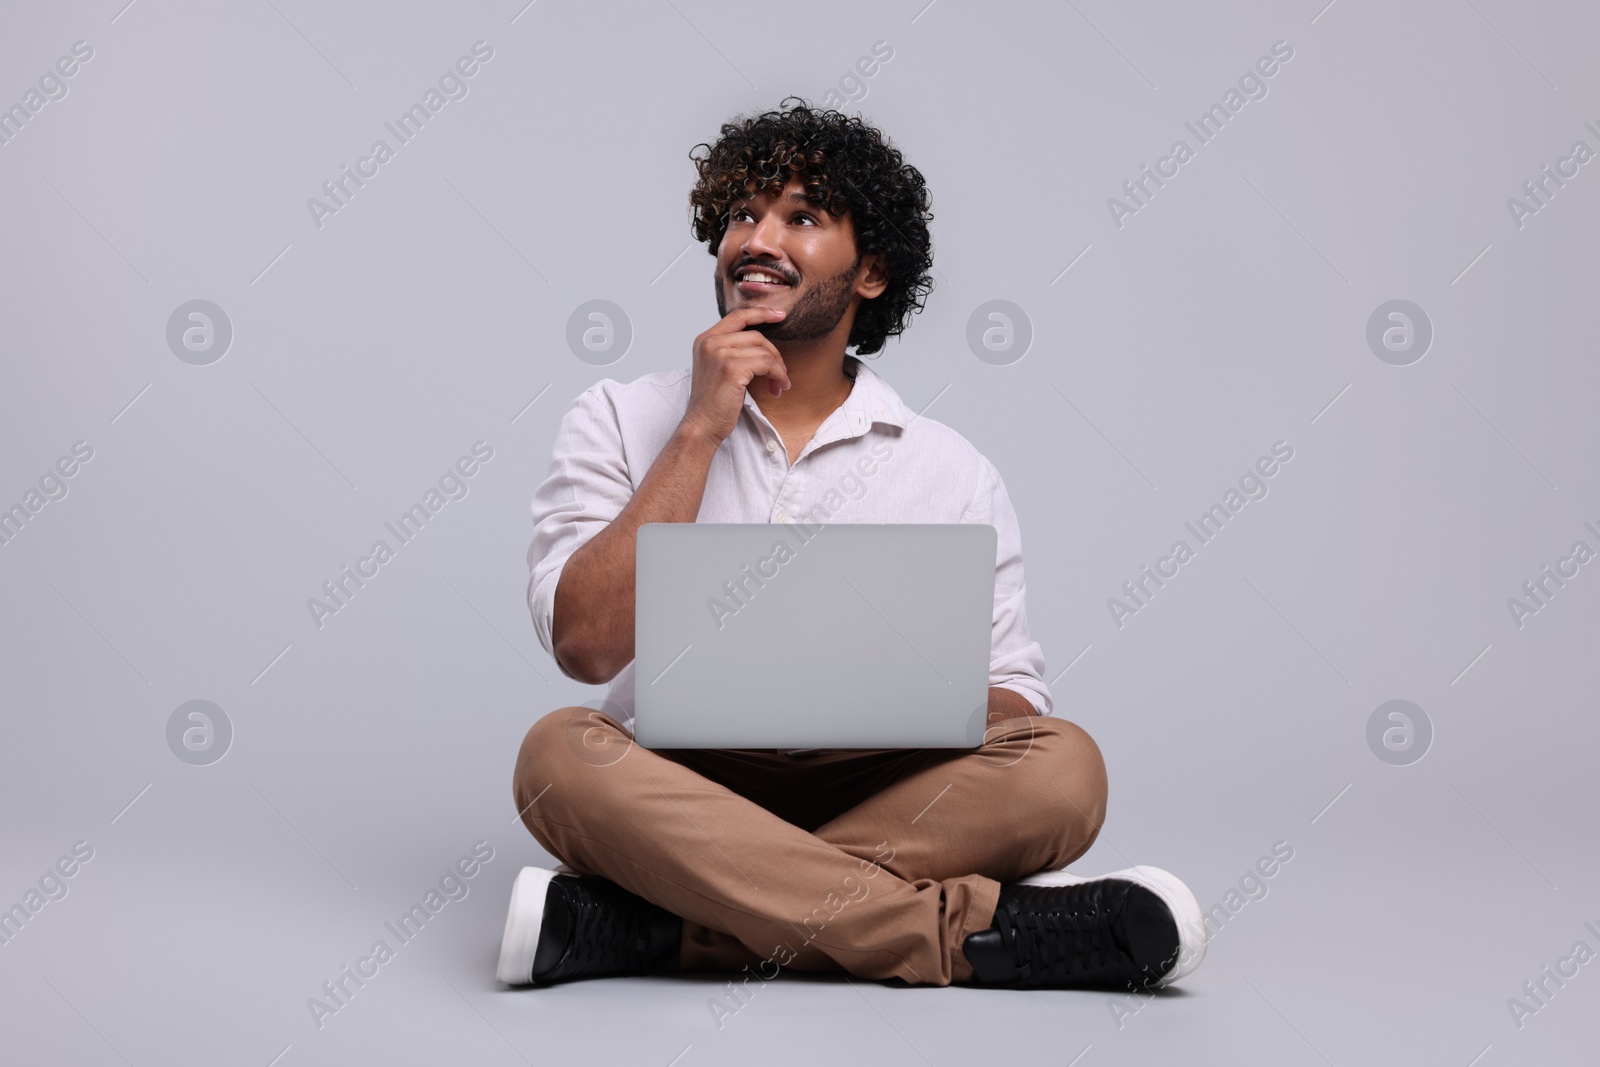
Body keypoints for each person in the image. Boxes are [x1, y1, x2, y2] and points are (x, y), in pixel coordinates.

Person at [498, 97, 1207, 991]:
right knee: (558, 759)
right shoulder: (617, 417)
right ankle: (972, 938)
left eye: (801, 217)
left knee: (1066, 770)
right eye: (742, 215)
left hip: (883, 790)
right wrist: (698, 430)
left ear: (870, 272)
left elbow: (1018, 697)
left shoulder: (950, 468)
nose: (758, 237)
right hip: (685, 787)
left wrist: (892, 696)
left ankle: (671, 923)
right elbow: (585, 643)